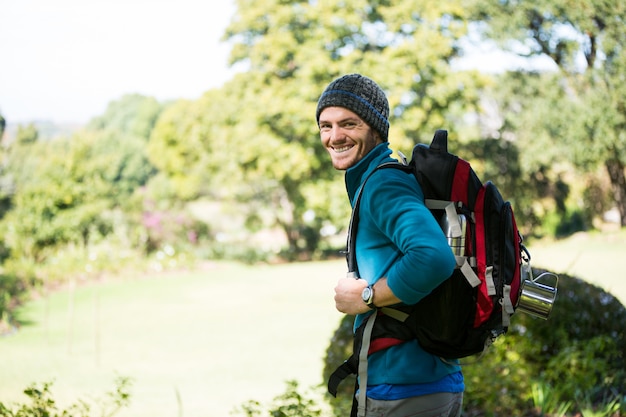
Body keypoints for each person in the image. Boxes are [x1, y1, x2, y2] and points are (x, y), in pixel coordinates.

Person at [316, 73, 464, 417]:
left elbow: (434, 257)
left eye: (348, 123)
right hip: (423, 382)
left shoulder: (384, 183)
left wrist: (366, 297)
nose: (335, 136)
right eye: (326, 126)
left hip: (404, 389)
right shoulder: (380, 176)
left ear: (376, 129)